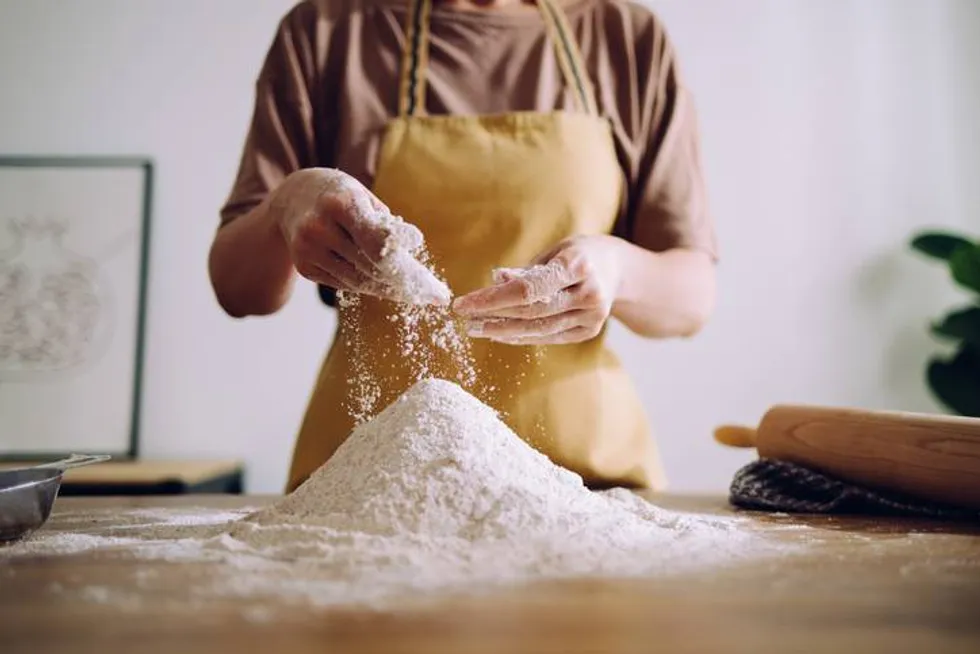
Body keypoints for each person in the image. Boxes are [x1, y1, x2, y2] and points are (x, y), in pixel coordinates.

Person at [208, 0, 718, 493]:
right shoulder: (326, 30)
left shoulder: (624, 37)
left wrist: (616, 270)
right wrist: (287, 205)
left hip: (584, 484)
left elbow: (692, 297)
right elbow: (238, 291)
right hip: (368, 484)